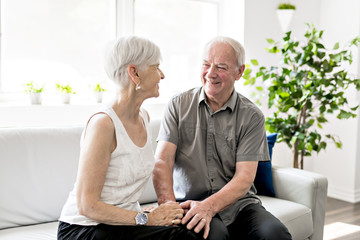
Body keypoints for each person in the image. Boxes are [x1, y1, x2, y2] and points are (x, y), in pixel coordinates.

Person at [58, 36, 202, 240]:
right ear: (134, 73)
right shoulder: (103, 125)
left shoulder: (144, 117)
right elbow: (87, 205)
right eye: (156, 67)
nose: (162, 75)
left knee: (191, 229)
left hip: (121, 224)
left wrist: (144, 215)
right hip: (83, 229)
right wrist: (145, 219)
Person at [153, 36, 292, 240]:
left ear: (239, 72)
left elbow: (244, 178)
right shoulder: (178, 105)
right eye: (206, 64)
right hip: (190, 204)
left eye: (221, 67)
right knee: (214, 236)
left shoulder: (252, 116)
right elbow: (162, 161)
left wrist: (208, 207)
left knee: (276, 235)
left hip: (239, 205)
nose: (210, 73)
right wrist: (169, 208)